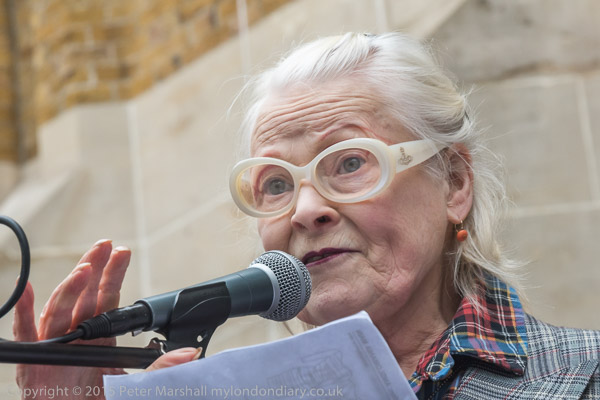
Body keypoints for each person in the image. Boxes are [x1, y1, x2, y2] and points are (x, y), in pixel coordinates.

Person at [13, 32, 600, 399]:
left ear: (454, 183)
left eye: (350, 163)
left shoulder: (583, 375)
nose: (307, 209)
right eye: (275, 184)